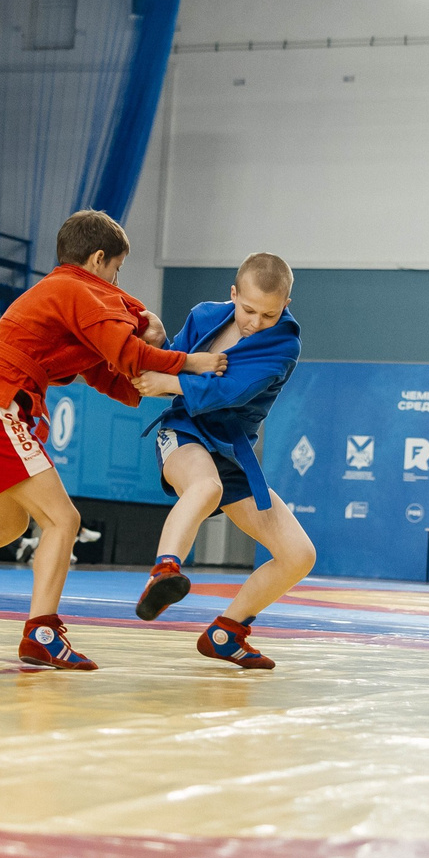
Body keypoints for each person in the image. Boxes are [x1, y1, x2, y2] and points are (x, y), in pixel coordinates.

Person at [0, 209, 218, 672]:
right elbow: (128, 349)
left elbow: (107, 372)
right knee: (64, 520)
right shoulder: (75, 289)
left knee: (8, 525)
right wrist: (193, 362)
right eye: (117, 269)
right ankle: (42, 631)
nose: (117, 280)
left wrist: (158, 381)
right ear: (99, 259)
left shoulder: (61, 298)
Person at [131, 252, 307, 671]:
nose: (255, 322)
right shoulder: (205, 315)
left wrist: (168, 381)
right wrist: (153, 345)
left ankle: (227, 632)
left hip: (230, 449)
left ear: (285, 306)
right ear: (233, 294)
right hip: (185, 430)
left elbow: (228, 392)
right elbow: (169, 359)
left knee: (298, 555)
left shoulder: (284, 344)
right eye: (248, 310)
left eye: (269, 314)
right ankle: (165, 570)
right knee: (204, 487)